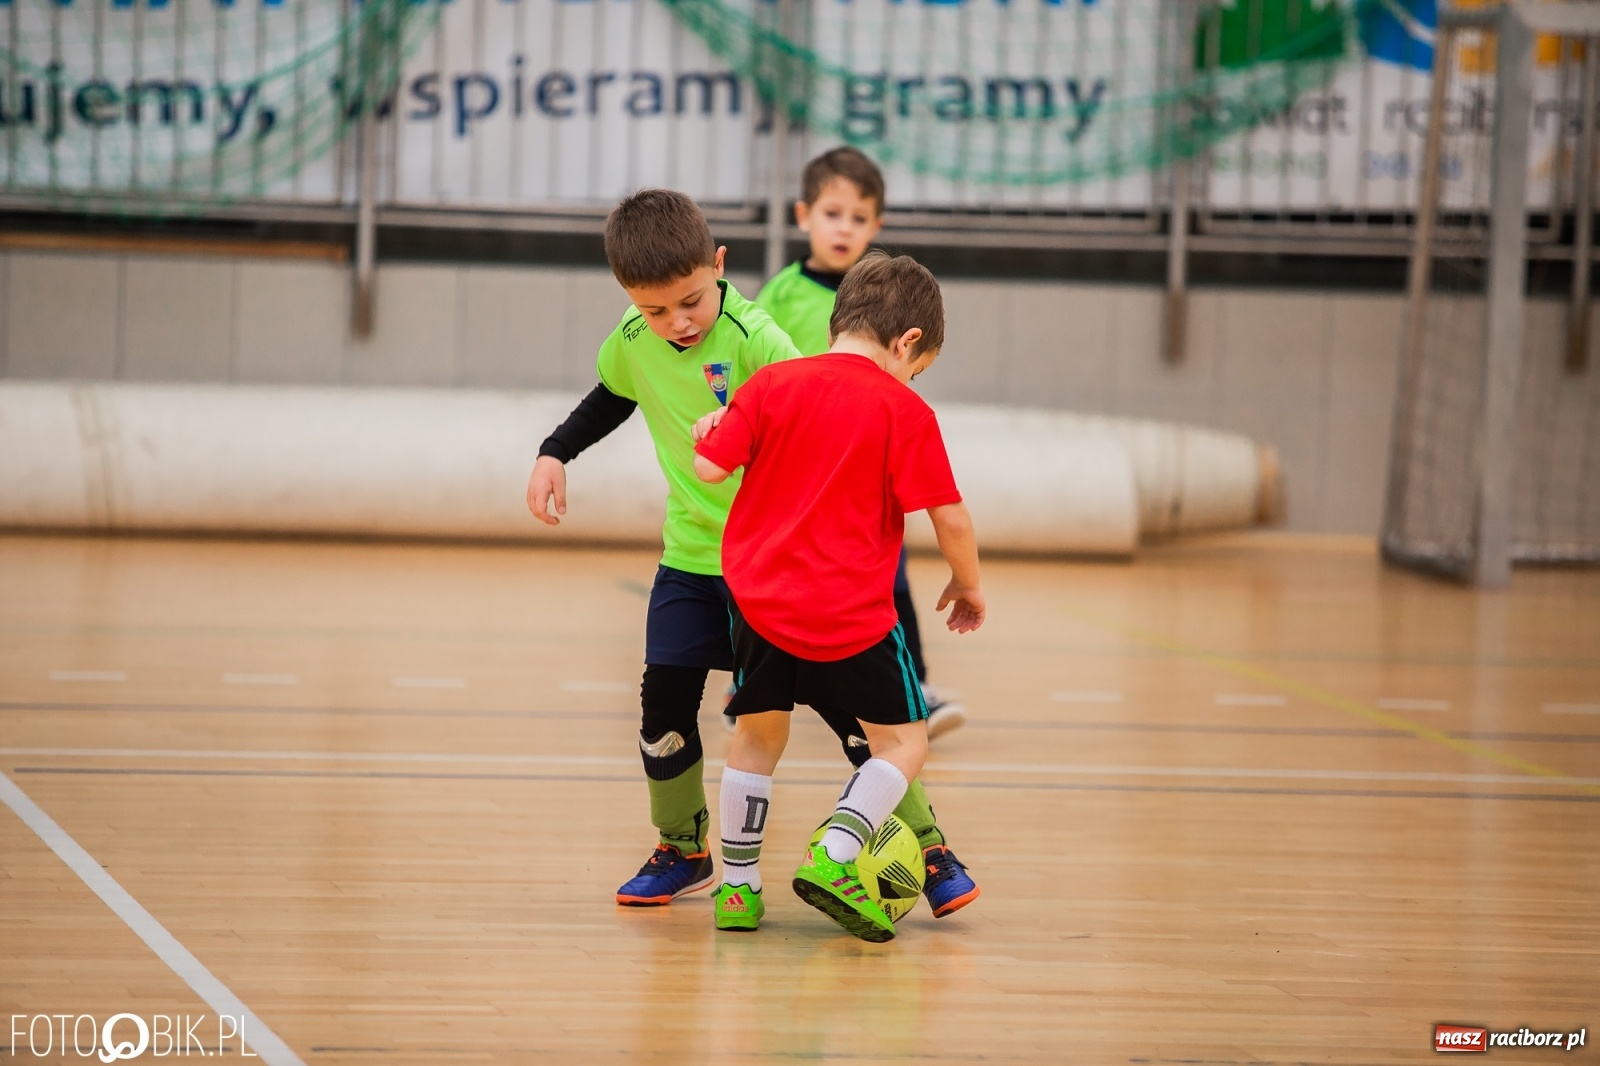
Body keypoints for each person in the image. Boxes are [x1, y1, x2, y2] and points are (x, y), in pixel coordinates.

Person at [524, 190, 980, 917]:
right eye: (654, 310)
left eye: (690, 302)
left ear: (720, 267)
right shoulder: (634, 339)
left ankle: (926, 848)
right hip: (692, 561)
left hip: (774, 566)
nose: (676, 323)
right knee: (662, 709)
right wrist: (556, 452)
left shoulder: (760, 338)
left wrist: (740, 423)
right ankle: (685, 849)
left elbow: (819, 414)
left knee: (863, 721)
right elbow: (614, 392)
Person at [692, 251, 984, 940]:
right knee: (904, 741)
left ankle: (736, 889)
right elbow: (951, 517)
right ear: (908, 342)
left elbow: (708, 468)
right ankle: (839, 848)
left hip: (761, 606)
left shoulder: (770, 386)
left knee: (755, 741)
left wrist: (711, 429)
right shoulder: (904, 411)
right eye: (920, 364)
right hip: (853, 616)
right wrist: (967, 583)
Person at [754, 146, 967, 741]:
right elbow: (752, 369)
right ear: (804, 216)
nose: (843, 227)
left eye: (857, 217)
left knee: (890, 574)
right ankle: (750, 678)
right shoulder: (781, 295)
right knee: (775, 565)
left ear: (875, 227)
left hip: (863, 469)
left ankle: (912, 686)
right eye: (832, 213)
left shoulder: (882, 296)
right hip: (799, 467)